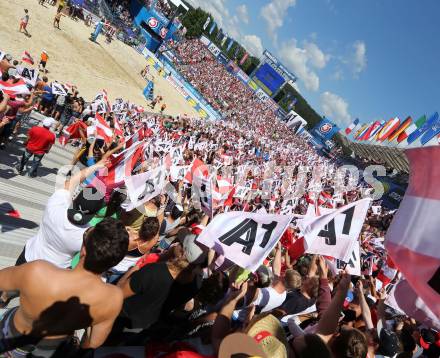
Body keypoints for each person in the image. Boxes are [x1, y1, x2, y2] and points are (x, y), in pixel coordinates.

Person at [0, 217, 129, 356]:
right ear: (115, 261)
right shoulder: (113, 299)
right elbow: (93, 343)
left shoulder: (37, 272)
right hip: (51, 350)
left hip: (12, 336)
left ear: (84, 250)